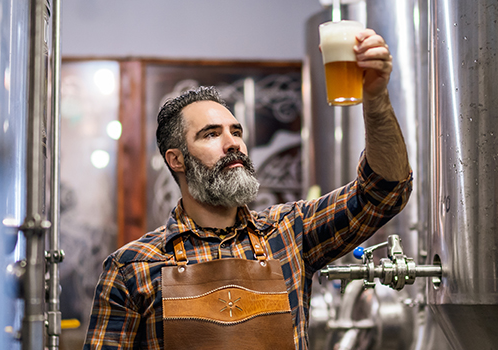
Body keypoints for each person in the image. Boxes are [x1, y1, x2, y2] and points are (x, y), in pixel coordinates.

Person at [84, 28, 412, 350]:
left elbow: (383, 191)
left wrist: (375, 98)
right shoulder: (132, 268)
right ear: (176, 160)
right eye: (211, 134)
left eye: (236, 131)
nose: (233, 144)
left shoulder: (289, 231)